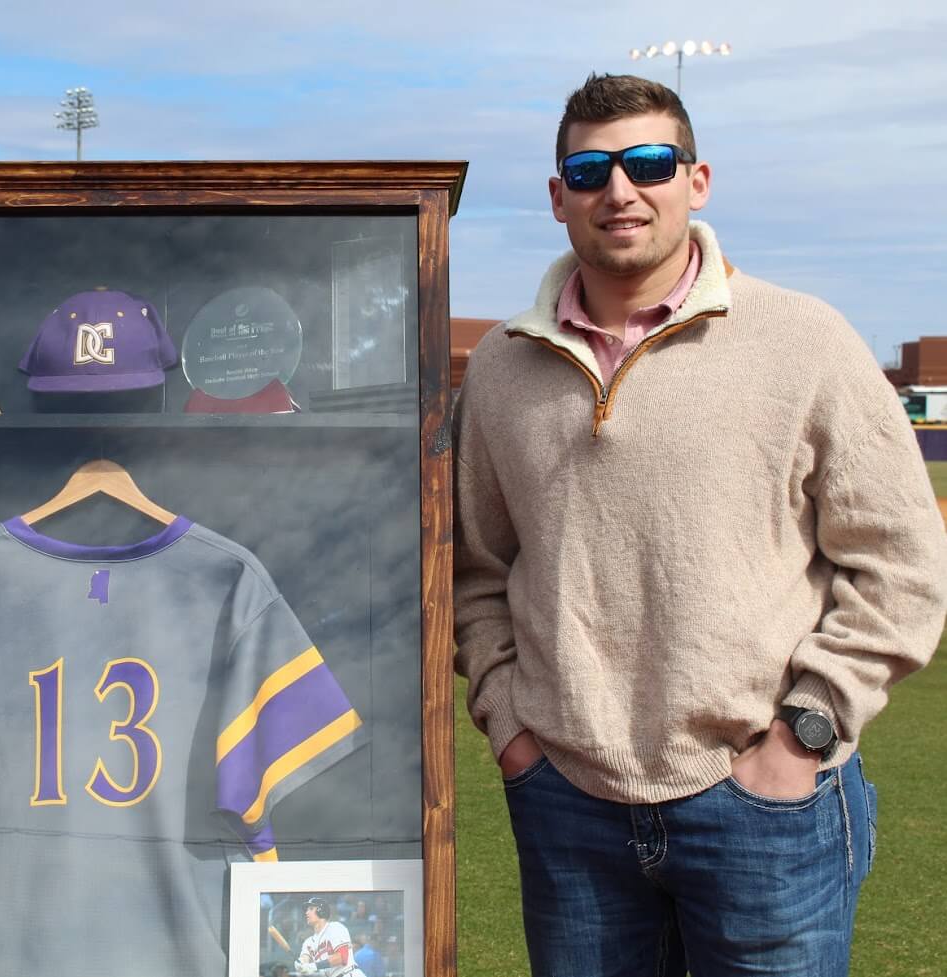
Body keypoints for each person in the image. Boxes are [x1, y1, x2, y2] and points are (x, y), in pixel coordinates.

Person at [452, 72, 947, 977]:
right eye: (591, 169)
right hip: (569, 803)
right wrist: (511, 725)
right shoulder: (499, 368)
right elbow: (475, 568)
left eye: (648, 162)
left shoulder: (805, 340)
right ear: (558, 196)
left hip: (766, 802)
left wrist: (804, 735)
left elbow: (902, 566)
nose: (621, 189)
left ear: (697, 178)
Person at [293, 898, 365, 977]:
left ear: (321, 911)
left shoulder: (335, 927)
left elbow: (342, 957)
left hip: (348, 973)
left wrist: (314, 966)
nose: (306, 913)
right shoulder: (308, 942)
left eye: (311, 909)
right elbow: (305, 958)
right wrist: (301, 963)